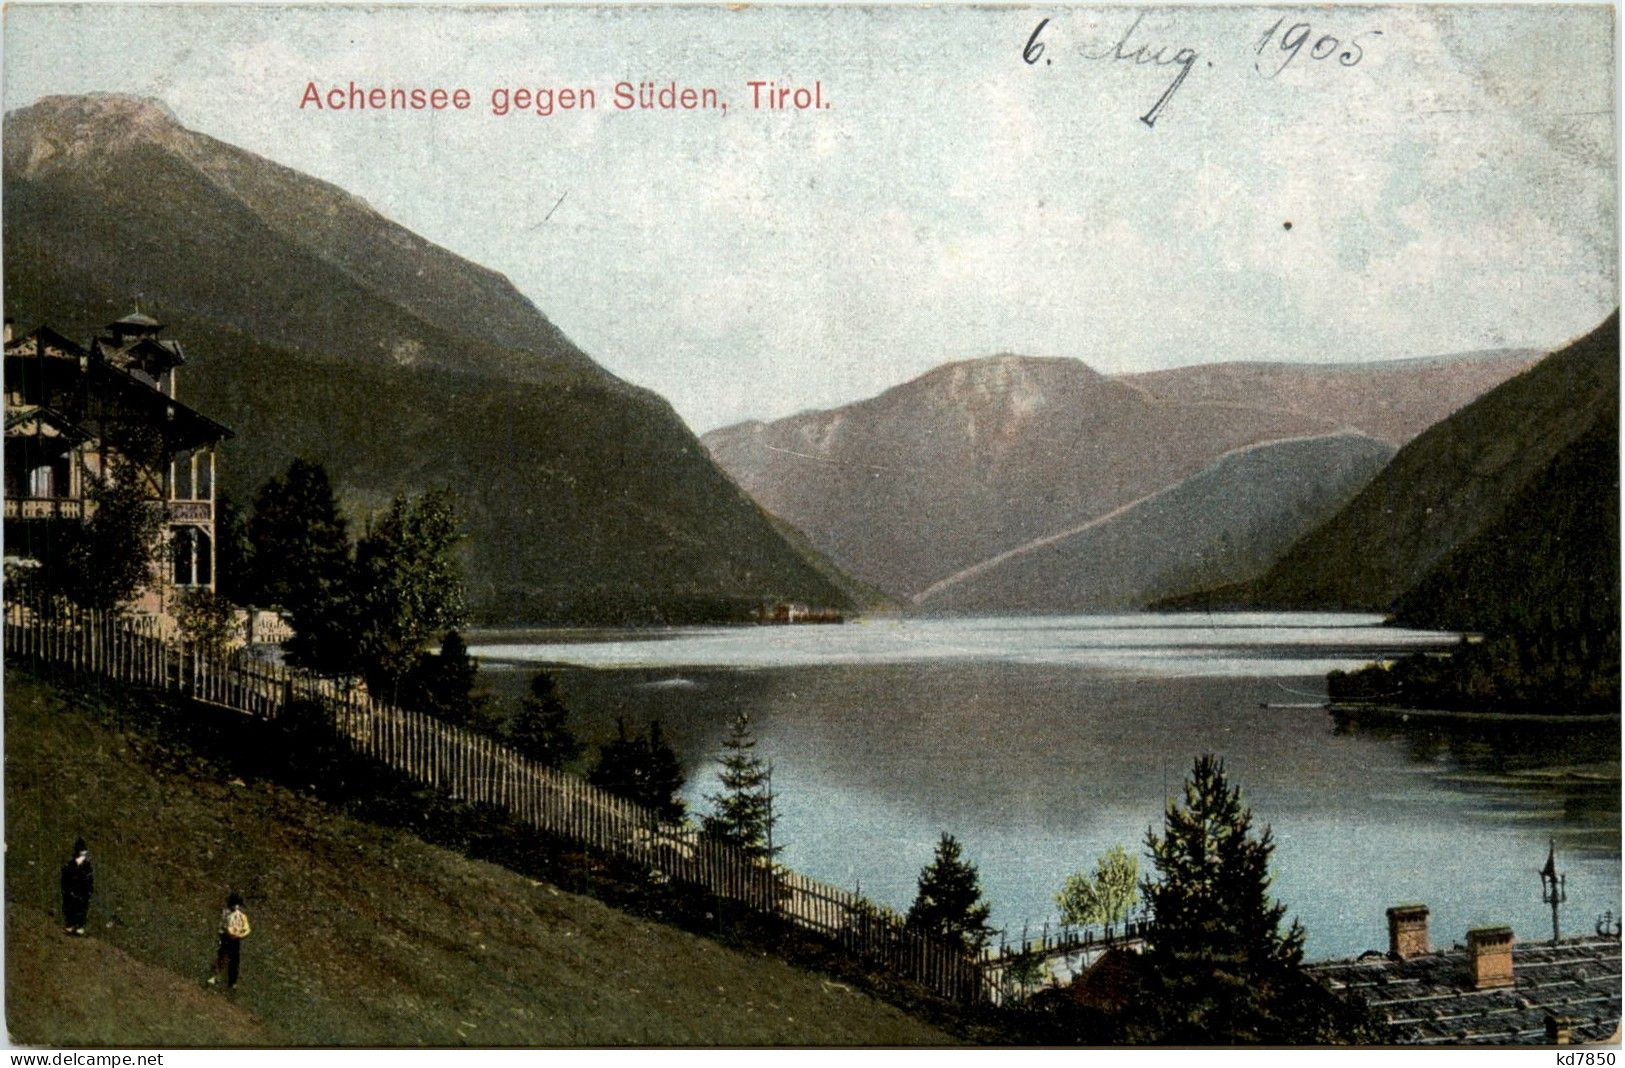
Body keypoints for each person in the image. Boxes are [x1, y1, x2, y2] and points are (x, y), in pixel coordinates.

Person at [208, 892, 251, 989]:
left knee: (233, 960)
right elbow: (224, 926)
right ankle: (218, 976)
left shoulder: (236, 914)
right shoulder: (228, 913)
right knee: (223, 957)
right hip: (227, 937)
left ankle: (231, 981)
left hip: (233, 938)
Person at [59, 838, 92, 936]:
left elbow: (89, 880)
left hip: (81, 891)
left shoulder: (85, 866)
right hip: (74, 890)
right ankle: (72, 925)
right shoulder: (73, 865)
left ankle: (78, 926)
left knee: (80, 908)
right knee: (72, 908)